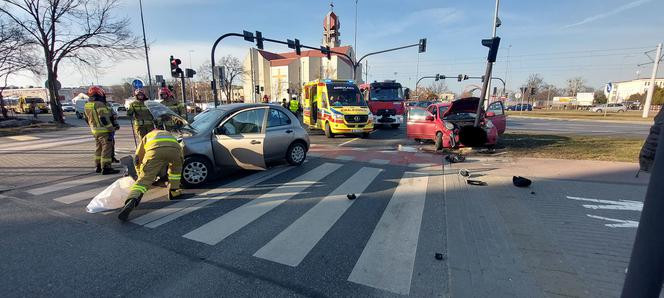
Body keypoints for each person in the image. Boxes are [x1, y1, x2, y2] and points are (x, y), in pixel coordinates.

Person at [118, 127, 184, 221]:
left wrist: (140, 174)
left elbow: (137, 158)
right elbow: (180, 149)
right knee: (175, 173)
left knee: (144, 179)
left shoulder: (148, 136)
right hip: (175, 150)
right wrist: (180, 162)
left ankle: (132, 199)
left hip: (155, 150)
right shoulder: (169, 134)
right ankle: (174, 192)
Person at [84, 86, 119, 175]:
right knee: (106, 149)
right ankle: (106, 167)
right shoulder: (99, 104)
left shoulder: (87, 105)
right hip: (104, 131)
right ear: (100, 94)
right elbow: (103, 118)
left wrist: (93, 127)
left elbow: (86, 119)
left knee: (98, 148)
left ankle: (98, 166)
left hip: (95, 131)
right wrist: (111, 129)